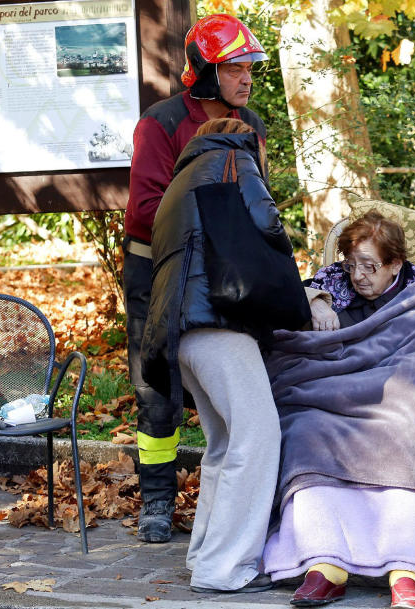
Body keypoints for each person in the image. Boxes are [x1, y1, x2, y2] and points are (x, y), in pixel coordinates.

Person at [262, 212, 415, 609]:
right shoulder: (331, 284)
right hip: (330, 395)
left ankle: (407, 569)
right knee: (306, 432)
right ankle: (325, 565)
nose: (358, 276)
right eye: (352, 265)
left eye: (370, 266)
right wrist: (314, 300)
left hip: (398, 398)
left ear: (395, 265)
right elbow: (284, 319)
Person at [139, 118, 305, 593]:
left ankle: (204, 556)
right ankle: (227, 568)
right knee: (258, 437)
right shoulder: (235, 158)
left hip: (181, 333)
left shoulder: (179, 181)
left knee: (223, 444)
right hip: (219, 324)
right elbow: (266, 222)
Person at [123, 13, 269, 542]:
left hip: (222, 268)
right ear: (205, 71)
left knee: (229, 382)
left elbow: (257, 198)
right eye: (234, 69)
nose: (246, 78)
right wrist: (212, 210)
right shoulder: (160, 123)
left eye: (249, 68)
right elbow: (144, 209)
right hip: (156, 269)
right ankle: (157, 501)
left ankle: (227, 499)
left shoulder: (250, 124)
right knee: (155, 386)